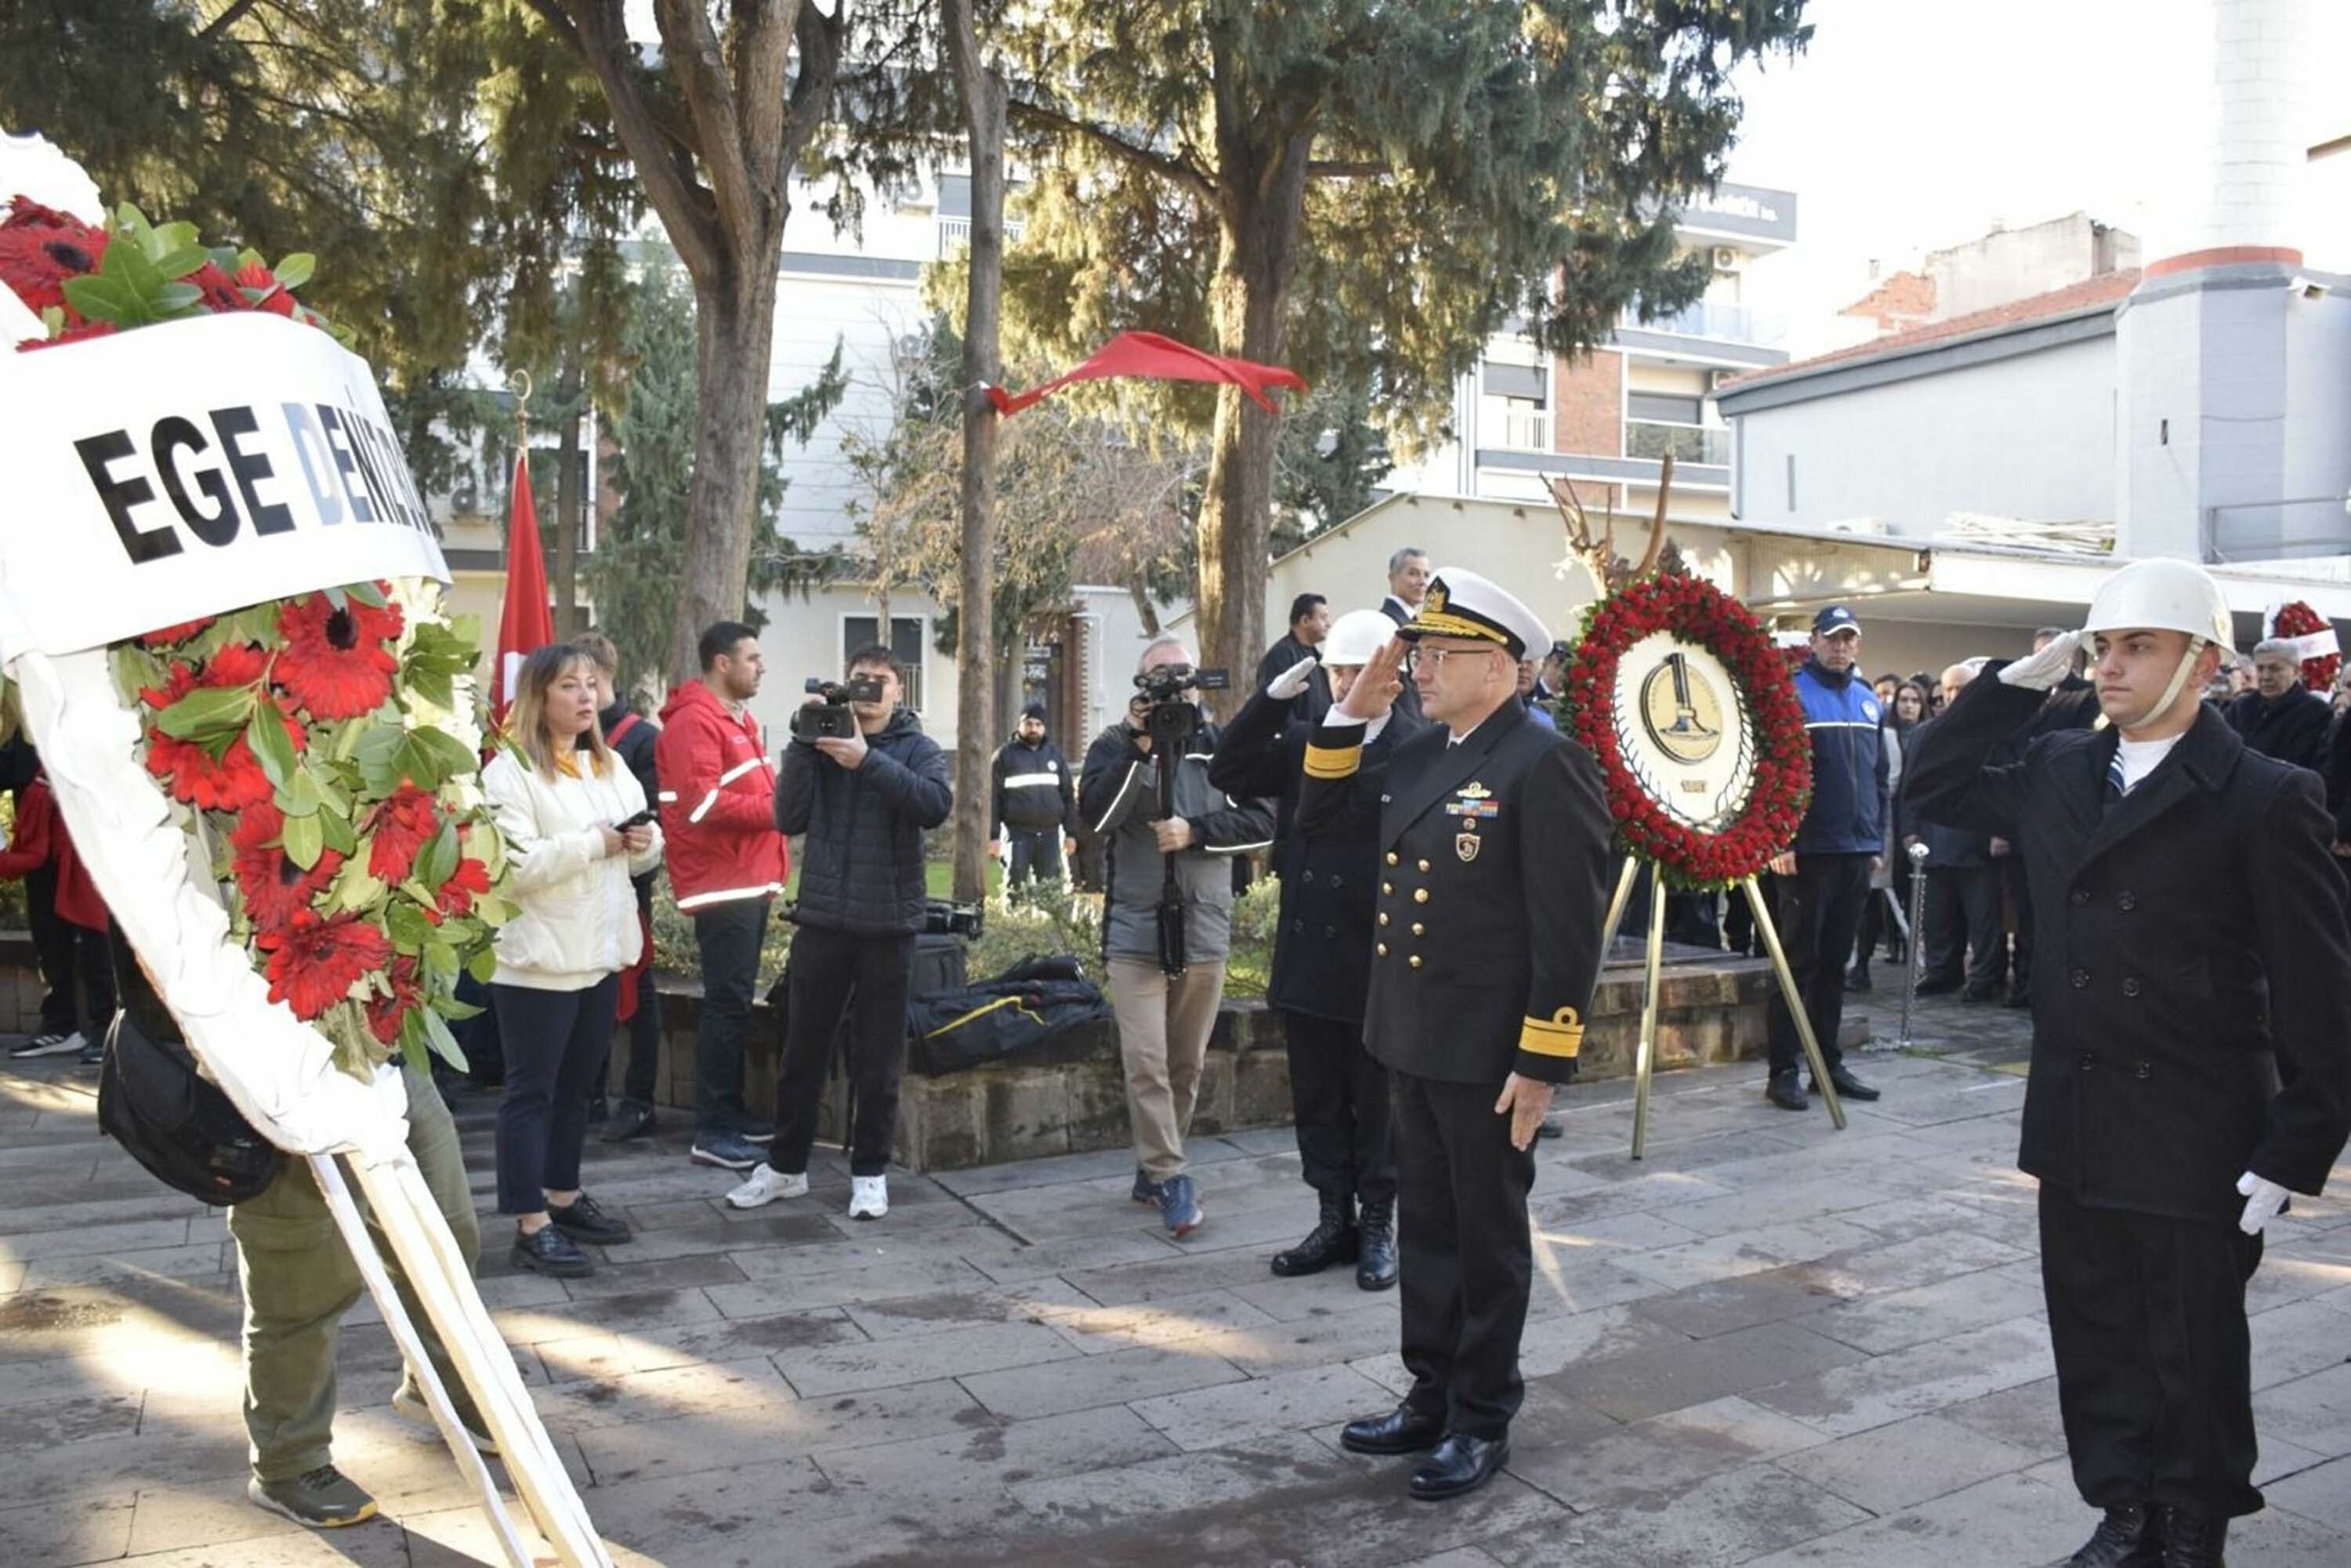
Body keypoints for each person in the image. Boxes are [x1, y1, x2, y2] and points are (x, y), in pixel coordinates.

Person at [1906, 558, 2351, 1568]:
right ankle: (2125, 1511)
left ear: (2203, 663)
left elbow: (2320, 990)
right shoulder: (2060, 766)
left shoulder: (2266, 793)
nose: (2111, 666)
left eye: (2138, 646)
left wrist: (2297, 1146)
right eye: (2104, 646)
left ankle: (2190, 1526)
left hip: (2198, 1125)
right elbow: (1931, 783)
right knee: (2098, 1333)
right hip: (2078, 1110)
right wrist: (2010, 688)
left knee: (2190, 1347)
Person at [1298, 567, 1611, 1503]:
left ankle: (1482, 1416)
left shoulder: (1543, 759)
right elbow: (1320, 815)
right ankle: (1430, 1391)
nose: (1419, 670)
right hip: (1410, 1036)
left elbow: (1569, 926)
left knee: (1487, 1236)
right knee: (1430, 1228)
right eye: (1419, 653)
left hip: (1489, 1052)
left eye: (1437, 656)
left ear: (1500, 666)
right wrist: (1356, 703)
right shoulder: (1428, 752)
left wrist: (1544, 1060)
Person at [149, 918, 498, 1528]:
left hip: (386, 1048)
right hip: (280, 1056)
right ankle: (289, 1461)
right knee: (303, 1277)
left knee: (446, 1230)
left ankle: (441, 1388)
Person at [1209, 608, 1414, 1290]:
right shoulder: (1307, 738)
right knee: (1320, 1098)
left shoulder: (1418, 745)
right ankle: (1333, 1216)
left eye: (1359, 671)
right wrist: (1269, 702)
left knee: (1377, 1102)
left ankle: (1378, 1221)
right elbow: (1228, 769)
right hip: (1312, 953)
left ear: (1391, 678)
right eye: (1337, 672)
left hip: (1377, 956)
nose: (1347, 684)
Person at [727, 646, 952, 1220]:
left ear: (900, 691)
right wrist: (806, 741)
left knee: (877, 1058)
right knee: (802, 1051)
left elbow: (933, 806)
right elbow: (787, 816)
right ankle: (785, 1168)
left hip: (888, 924)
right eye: (861, 681)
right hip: (823, 919)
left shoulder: (918, 748)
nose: (870, 691)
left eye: (881, 682)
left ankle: (871, 1172)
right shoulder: (822, 740)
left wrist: (865, 760)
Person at [1081, 635, 1275, 1238]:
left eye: (1181, 676)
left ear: (1197, 683)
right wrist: (1140, 748)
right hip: (1135, 928)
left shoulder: (1222, 748)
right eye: (1159, 677)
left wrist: (1196, 831)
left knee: (1185, 1063)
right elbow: (1096, 816)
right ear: (1141, 687)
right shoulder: (1113, 745)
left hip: (1204, 925)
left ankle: (1152, 1168)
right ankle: (1171, 1177)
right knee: (1146, 1061)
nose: (1172, 687)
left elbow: (1267, 821)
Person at [482, 644, 661, 1276]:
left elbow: (645, 850)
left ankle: (562, 1195)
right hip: (539, 961)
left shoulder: (608, 765)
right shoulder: (510, 773)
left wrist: (640, 842)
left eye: (591, 684)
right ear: (540, 696)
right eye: (569, 685)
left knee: (578, 1091)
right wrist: (597, 843)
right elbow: (512, 867)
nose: (586, 696)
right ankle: (530, 1223)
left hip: (600, 954)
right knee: (531, 1092)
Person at [655, 621, 788, 1172]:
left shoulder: (737, 720)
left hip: (745, 880)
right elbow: (701, 804)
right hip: (721, 884)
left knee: (734, 1001)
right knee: (725, 1003)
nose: (761, 666)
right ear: (721, 663)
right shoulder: (694, 723)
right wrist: (779, 813)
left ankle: (730, 1115)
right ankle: (713, 1128)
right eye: (751, 657)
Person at [1762, 605, 1886, 1112]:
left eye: (1849, 639)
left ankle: (1826, 1063)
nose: (1840, 647)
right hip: (1807, 852)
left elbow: (1878, 777)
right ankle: (1783, 1069)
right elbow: (1772, 773)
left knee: (1836, 963)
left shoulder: (1867, 698)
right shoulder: (1791, 695)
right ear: (1814, 639)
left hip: (1856, 851)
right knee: (1796, 964)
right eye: (1832, 638)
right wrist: (1778, 840)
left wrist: (1877, 840)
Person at [573, 633, 665, 1143]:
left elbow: (655, 817)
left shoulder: (641, 738)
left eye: (587, 682)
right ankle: (589, 1095)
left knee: (639, 992)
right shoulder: (566, 737)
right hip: (577, 886)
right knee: (589, 992)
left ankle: (639, 1099)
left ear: (603, 676)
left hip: (630, 887)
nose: (581, 694)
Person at [0, 737, 113, 1062]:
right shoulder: (29, 730)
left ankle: (109, 1028)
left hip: (87, 845)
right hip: (42, 852)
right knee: (49, 941)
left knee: (97, 937)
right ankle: (61, 1026)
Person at [1906, 663, 2005, 1002]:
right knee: (1937, 918)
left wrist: (2000, 832)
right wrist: (1910, 830)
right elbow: (1911, 786)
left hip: (1978, 842)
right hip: (1933, 840)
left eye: (1961, 688)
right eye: (1946, 690)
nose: (1952, 696)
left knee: (1983, 920)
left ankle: (1983, 979)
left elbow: (2007, 783)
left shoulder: (1993, 730)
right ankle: (1941, 972)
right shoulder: (1924, 733)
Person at [1849, 678, 1925, 991]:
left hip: (1902, 826)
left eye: (1914, 700)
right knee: (1866, 899)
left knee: (1898, 899)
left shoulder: (1909, 735)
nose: (1908, 705)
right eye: (1903, 699)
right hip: (1875, 823)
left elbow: (1901, 782)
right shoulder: (1885, 733)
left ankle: (1901, 961)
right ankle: (1859, 964)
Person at [988, 702, 1079, 895]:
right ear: (1019, 726)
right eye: (1028, 724)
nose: (1033, 729)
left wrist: (1071, 833)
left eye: (1038, 724)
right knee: (1015, 889)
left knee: (1049, 893)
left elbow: (1068, 797)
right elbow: (993, 798)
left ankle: (1045, 925)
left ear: (1044, 728)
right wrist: (993, 836)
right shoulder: (1004, 756)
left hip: (1050, 835)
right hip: (1016, 834)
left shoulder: (1056, 756)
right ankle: (1012, 924)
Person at [2224, 638, 2331, 772]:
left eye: (2275, 669)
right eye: (2260, 668)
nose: (2266, 676)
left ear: (2297, 671)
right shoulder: (2240, 708)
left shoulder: (2316, 713)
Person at [1256, 592, 1335, 725]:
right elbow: (1272, 709)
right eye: (1323, 618)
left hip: (1321, 739)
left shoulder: (1319, 658)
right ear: (1305, 621)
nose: (1328, 624)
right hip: (1296, 743)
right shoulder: (1279, 656)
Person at [1378, 547, 1432, 725]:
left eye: (1426, 575)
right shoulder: (1388, 623)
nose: (1422, 582)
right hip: (1409, 724)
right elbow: (1401, 686)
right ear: (1392, 578)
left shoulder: (1413, 621)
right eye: (1413, 574)